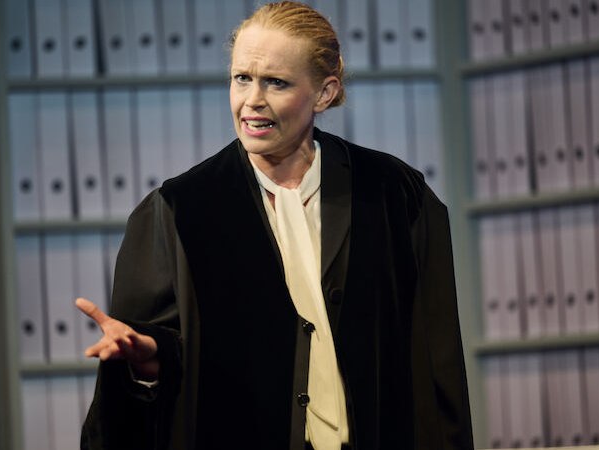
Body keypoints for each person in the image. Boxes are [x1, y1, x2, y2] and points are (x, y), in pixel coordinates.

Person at [76, 2, 473, 449]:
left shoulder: (393, 195)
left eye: (276, 83)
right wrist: (146, 360)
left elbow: (437, 366)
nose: (252, 101)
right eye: (241, 78)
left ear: (324, 93)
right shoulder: (178, 210)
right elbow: (160, 361)